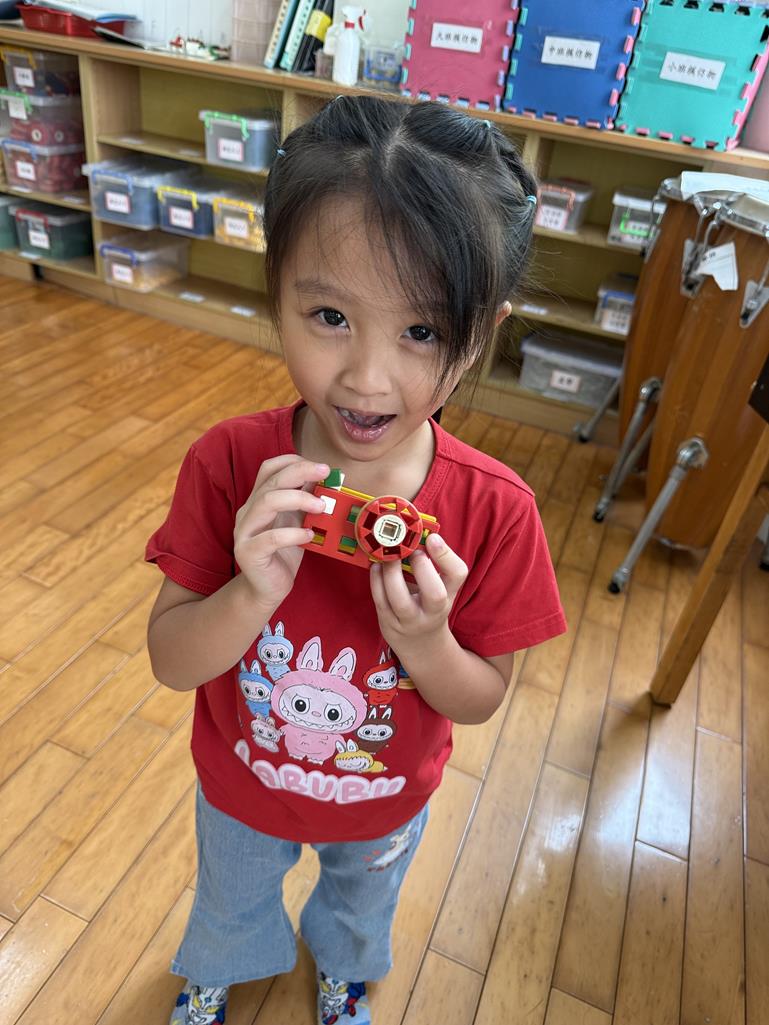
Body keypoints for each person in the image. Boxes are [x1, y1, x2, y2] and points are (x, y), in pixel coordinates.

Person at [145, 94, 567, 1025]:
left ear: (482, 332)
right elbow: (172, 661)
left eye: (422, 331)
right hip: (243, 781)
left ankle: (342, 968)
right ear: (276, 291)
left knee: (359, 907)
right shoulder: (228, 464)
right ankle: (216, 968)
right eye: (329, 314)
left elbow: (480, 698)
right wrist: (248, 592)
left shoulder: (496, 510)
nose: (367, 379)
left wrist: (425, 641)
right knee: (229, 899)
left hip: (384, 799)